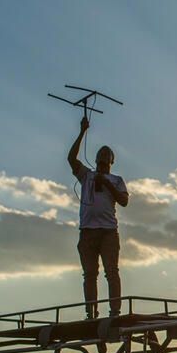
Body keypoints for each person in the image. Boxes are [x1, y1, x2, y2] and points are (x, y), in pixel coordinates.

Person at [67, 116, 129, 318]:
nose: (102, 164)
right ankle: (91, 312)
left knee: (112, 271)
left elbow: (123, 201)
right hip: (88, 232)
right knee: (90, 274)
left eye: (105, 161)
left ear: (110, 162)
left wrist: (108, 183)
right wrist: (82, 131)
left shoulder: (117, 180)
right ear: (96, 161)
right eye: (99, 161)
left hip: (108, 233)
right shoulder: (87, 176)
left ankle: (115, 312)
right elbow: (71, 159)